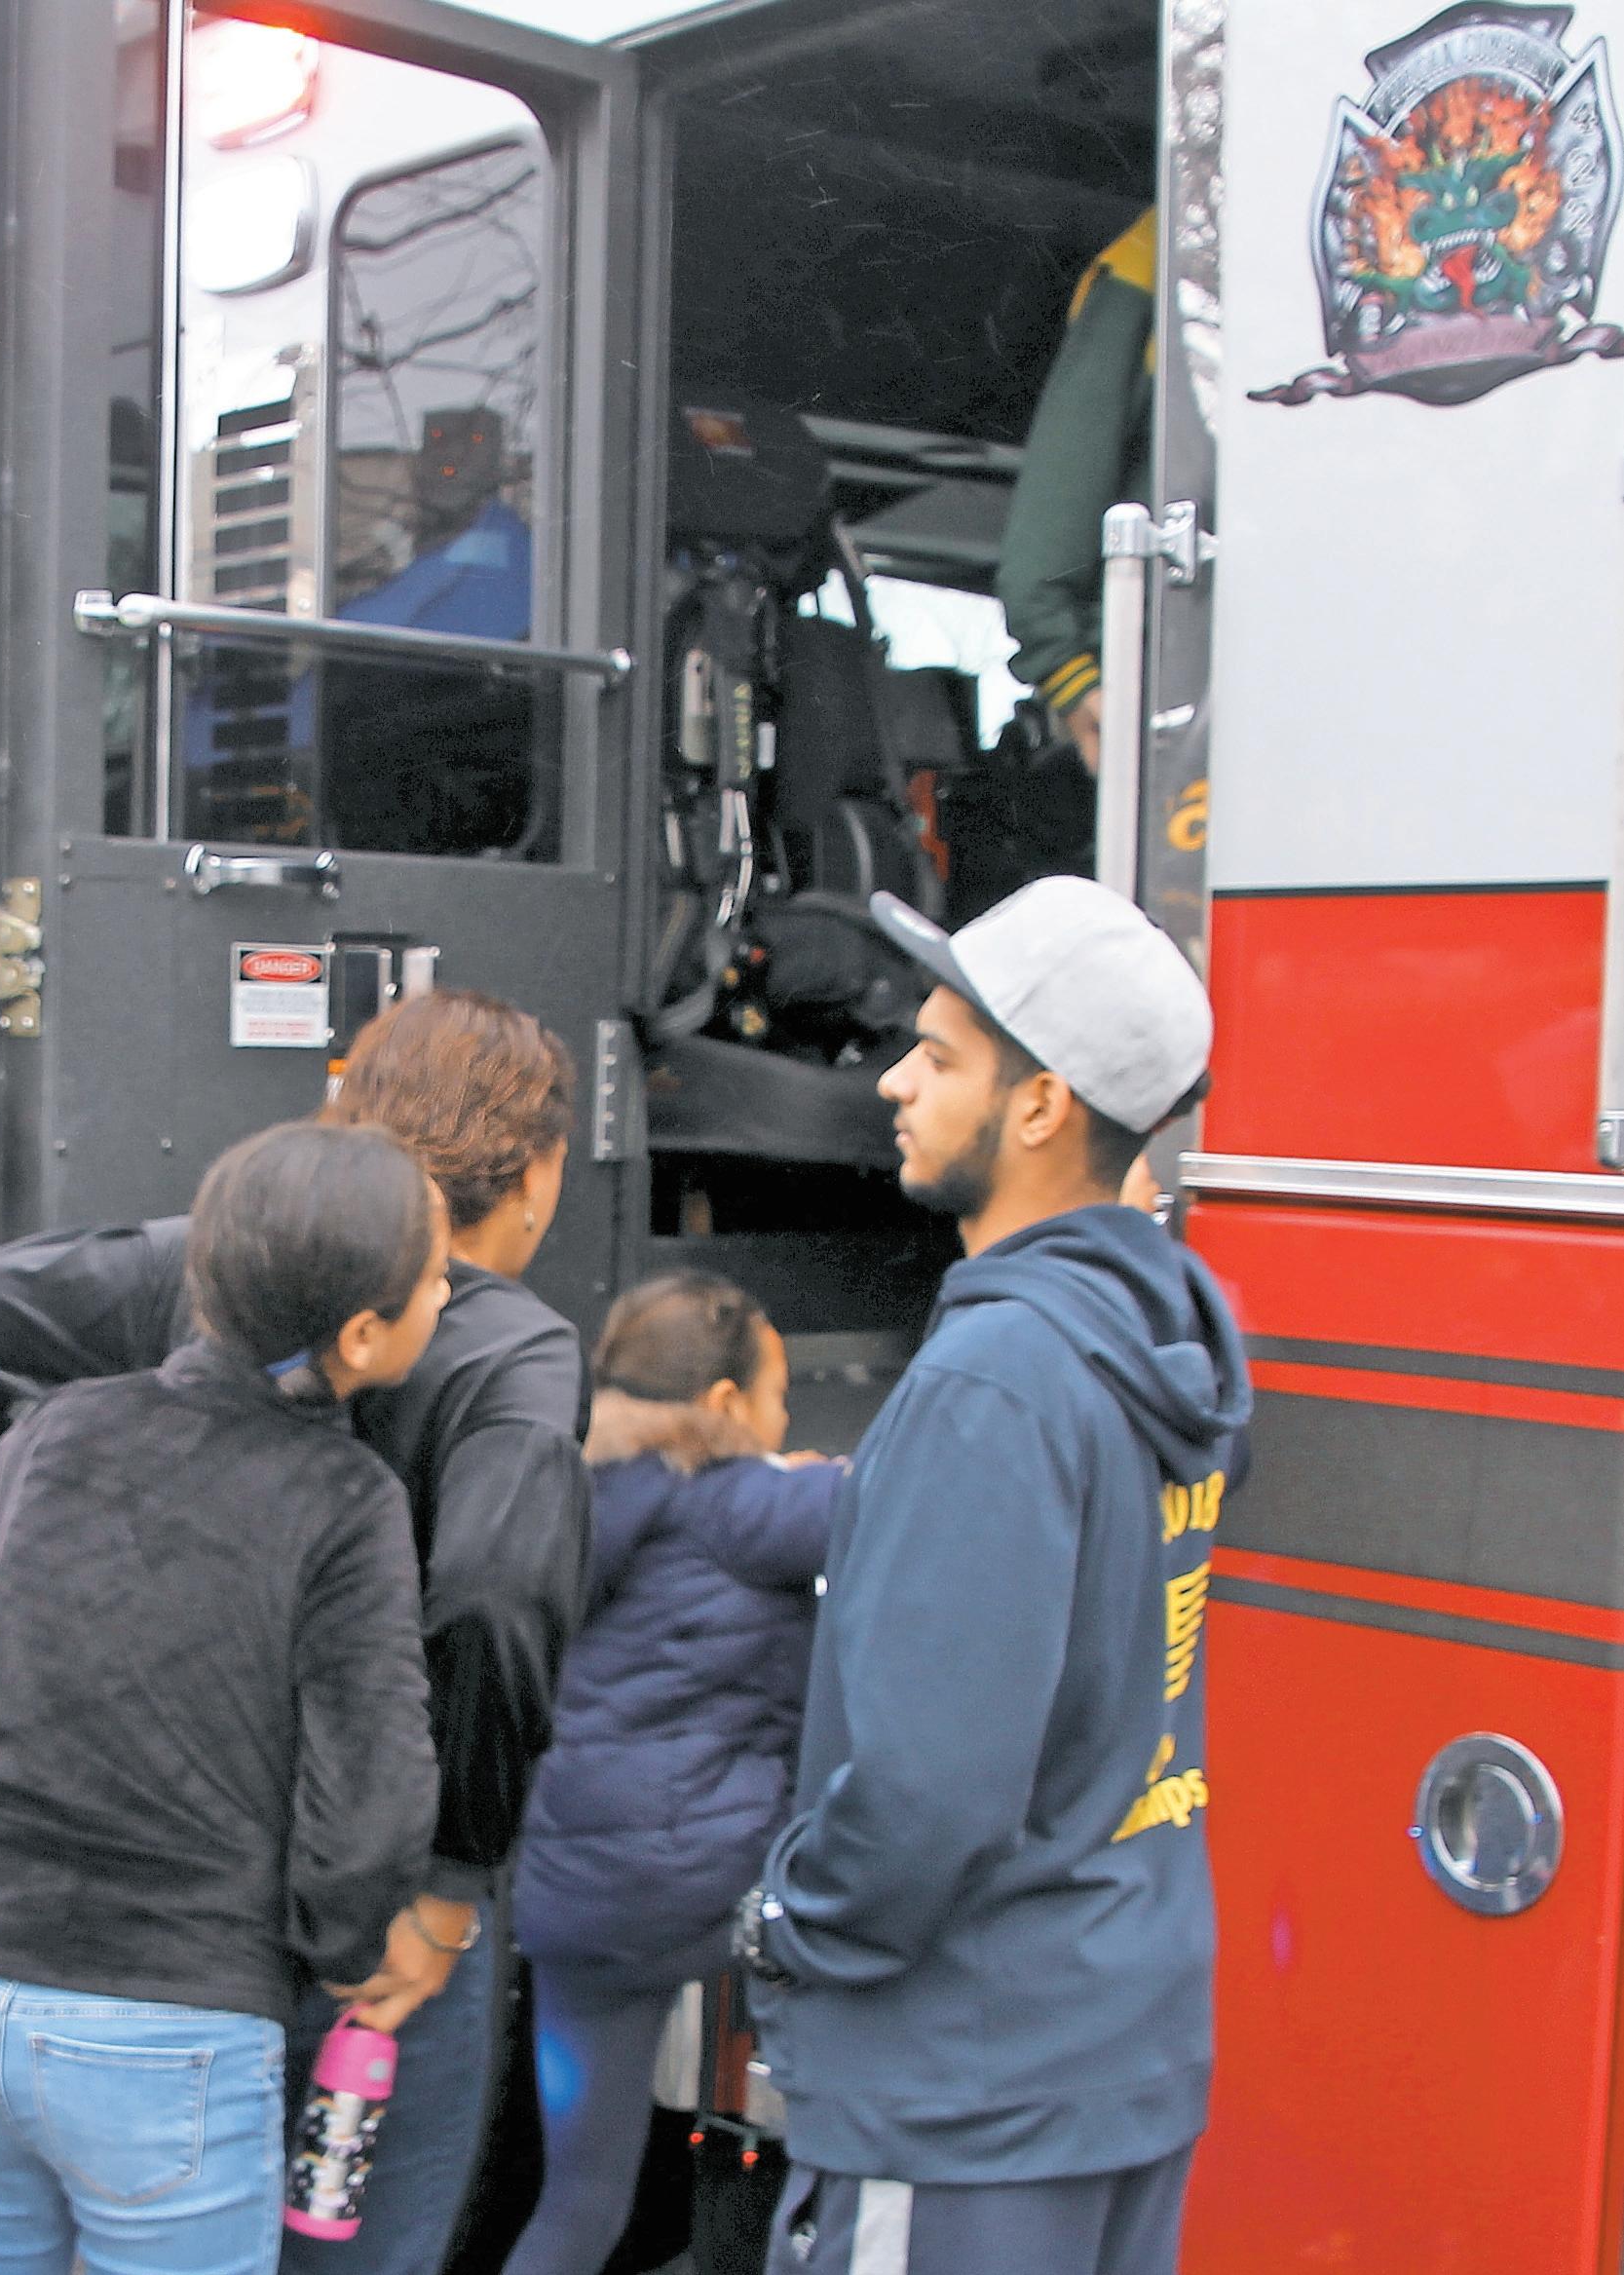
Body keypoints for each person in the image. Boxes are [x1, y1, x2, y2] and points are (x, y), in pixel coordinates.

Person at [0, 989, 595, 2275]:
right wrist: (446, 1878)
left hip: (80, 1930)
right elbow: (495, 1600)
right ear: (537, 1174)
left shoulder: (201, 1265)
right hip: (366, 1921)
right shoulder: (511, 1352)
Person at [737, 875, 1250, 2275]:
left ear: (1039, 1107)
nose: (894, 1080)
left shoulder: (992, 1382)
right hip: (1115, 2050)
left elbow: (928, 1794)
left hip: (964, 2094)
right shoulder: (1162, 1338)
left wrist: (784, 1920)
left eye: (938, 1054)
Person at [0, 1119, 453, 2275]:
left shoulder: (60, 1425)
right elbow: (371, 1796)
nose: (447, 1292)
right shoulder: (347, 1499)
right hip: (177, 2026)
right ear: (362, 1334)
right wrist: (341, 1946)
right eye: (433, 1277)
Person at [503, 1274, 843, 2275]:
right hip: (711, 1893)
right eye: (777, 1396)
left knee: (579, 2202)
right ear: (725, 1403)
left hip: (575, 1904)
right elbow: (913, 1495)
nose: (785, 1419)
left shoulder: (579, 1491)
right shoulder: (745, 1502)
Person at [994, 209, 1157, 777]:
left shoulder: (1160, 252)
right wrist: (1076, 678)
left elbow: (1039, 566)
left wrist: (1070, 675)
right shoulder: (1155, 259)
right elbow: (1038, 570)